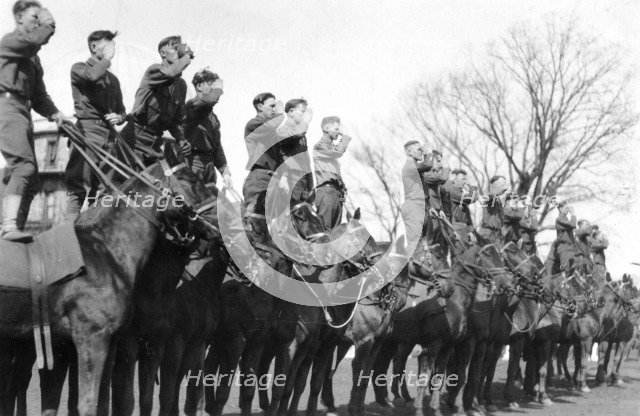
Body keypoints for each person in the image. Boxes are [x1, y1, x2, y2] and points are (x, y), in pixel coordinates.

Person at [0, 1, 74, 242]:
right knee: (24, 167)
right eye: (35, 17)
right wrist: (49, 24)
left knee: (32, 181)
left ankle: (12, 231)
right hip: (7, 107)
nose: (39, 23)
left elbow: (40, 96)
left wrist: (56, 114)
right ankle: (7, 226)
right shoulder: (12, 42)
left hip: (23, 111)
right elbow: (34, 41)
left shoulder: (33, 58)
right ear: (19, 17)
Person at [64, 29, 126, 221]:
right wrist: (107, 60)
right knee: (79, 185)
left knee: (106, 188)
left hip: (108, 137)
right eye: (108, 45)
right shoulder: (79, 68)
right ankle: (68, 230)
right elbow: (91, 76)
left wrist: (120, 117)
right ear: (93, 47)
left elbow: (121, 109)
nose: (113, 49)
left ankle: (93, 228)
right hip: (87, 132)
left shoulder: (113, 80)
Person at [120, 35, 192, 166]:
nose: (179, 51)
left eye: (179, 48)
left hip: (155, 143)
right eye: (175, 48)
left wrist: (181, 139)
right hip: (135, 139)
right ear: (163, 53)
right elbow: (171, 72)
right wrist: (187, 56)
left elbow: (175, 121)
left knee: (164, 182)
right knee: (130, 183)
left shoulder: (181, 86)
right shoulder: (154, 71)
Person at [183, 68, 231, 190]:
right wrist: (218, 89)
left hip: (209, 166)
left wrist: (225, 172)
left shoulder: (213, 118)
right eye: (211, 85)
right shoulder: (191, 106)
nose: (214, 90)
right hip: (193, 163)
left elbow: (217, 147)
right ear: (199, 86)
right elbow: (208, 100)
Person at [242, 92, 284, 222]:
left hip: (273, 179)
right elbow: (270, 125)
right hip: (259, 179)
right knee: (255, 221)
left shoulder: (272, 132)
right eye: (271, 106)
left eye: (275, 106)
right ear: (260, 107)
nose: (274, 109)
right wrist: (280, 114)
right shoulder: (253, 124)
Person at [275, 98, 314, 212]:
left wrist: (311, 185)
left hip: (303, 182)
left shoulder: (301, 134)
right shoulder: (282, 131)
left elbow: (306, 161)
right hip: (290, 179)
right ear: (291, 112)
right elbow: (295, 135)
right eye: (302, 111)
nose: (305, 114)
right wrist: (305, 122)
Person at [312, 116, 351, 229]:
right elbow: (338, 152)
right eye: (336, 129)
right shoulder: (320, 146)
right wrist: (346, 136)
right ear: (326, 128)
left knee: (334, 235)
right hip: (326, 192)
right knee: (324, 231)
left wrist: (342, 189)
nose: (339, 132)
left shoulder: (330, 148)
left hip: (335, 194)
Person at [400, 140, 431, 248]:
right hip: (413, 207)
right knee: (415, 246)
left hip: (421, 207)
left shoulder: (416, 167)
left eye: (422, 150)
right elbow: (427, 165)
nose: (422, 152)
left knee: (423, 245)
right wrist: (428, 153)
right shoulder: (409, 165)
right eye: (419, 149)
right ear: (409, 152)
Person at [423, 150, 450, 260]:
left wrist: (441, 209)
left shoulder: (433, 176)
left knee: (441, 246)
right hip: (429, 214)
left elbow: (438, 196)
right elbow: (443, 178)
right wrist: (446, 166)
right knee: (430, 246)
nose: (440, 164)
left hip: (437, 214)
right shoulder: (427, 174)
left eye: (441, 161)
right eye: (438, 161)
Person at [478, 175, 509, 248]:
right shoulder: (489, 198)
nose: (504, 185)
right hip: (487, 234)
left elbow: (500, 220)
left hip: (497, 235)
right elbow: (491, 195)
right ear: (494, 185)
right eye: (502, 184)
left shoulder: (499, 202)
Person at [448, 169, 478, 241]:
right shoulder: (453, 192)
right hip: (457, 229)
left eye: (465, 179)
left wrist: (470, 230)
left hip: (464, 230)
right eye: (463, 179)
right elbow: (472, 198)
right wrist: (473, 186)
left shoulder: (461, 194)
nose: (465, 182)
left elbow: (467, 215)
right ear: (454, 180)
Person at [551, 201, 577, 276]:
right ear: (560, 209)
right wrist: (573, 214)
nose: (567, 210)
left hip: (570, 247)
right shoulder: (559, 219)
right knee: (566, 270)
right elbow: (572, 224)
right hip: (564, 247)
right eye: (566, 208)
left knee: (573, 271)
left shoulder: (565, 219)